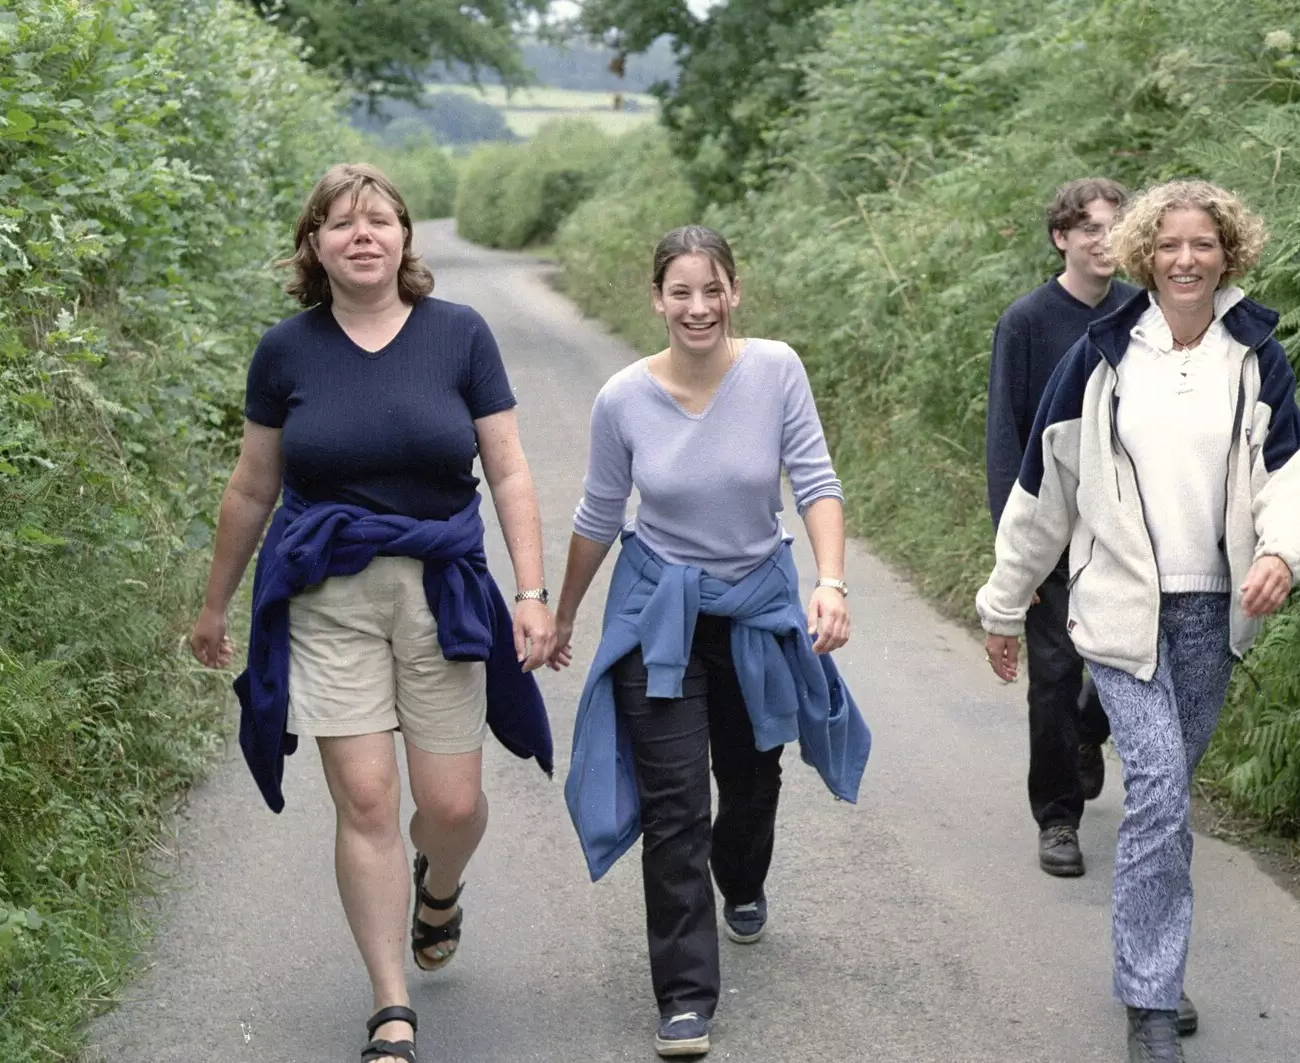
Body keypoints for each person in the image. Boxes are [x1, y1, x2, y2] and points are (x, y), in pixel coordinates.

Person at [188, 163, 556, 1063]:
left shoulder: (459, 335)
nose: (363, 236)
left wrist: (533, 591)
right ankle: (391, 1006)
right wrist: (213, 606)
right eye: (342, 223)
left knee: (453, 803)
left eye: (380, 221)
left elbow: (508, 470)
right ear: (313, 244)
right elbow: (252, 485)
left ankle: (441, 890)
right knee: (365, 797)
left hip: (442, 589)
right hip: (327, 593)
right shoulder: (286, 350)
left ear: (405, 238)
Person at [976, 180, 1300, 1063]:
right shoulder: (1100, 353)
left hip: (1216, 609)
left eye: (1202, 244)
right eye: (1167, 244)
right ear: (1143, 253)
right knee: (1163, 790)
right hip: (1120, 605)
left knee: (1167, 804)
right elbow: (1042, 488)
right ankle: (1150, 1000)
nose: (1183, 259)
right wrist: (1004, 603)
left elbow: (1293, 468)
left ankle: (1155, 969)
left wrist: (1283, 550)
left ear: (1228, 253)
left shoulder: (1255, 354)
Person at [548, 225, 871, 1059]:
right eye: (680, 291)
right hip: (662, 610)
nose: (698, 306)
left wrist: (828, 582)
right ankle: (686, 995)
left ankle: (746, 876)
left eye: (712, 289)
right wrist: (563, 612)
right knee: (676, 805)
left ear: (735, 292)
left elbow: (816, 480)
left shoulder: (774, 370)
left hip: (756, 605)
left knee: (752, 775)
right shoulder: (622, 396)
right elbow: (597, 515)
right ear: (656, 299)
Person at [986, 177, 1136, 879]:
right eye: (1089, 229)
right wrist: (1013, 559)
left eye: (1115, 227)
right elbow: (1005, 441)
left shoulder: (1143, 314)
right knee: (1051, 672)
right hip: (1050, 528)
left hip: (1125, 532)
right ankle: (1057, 817)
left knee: (1114, 666)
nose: (1103, 241)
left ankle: (1088, 732)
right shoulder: (1026, 322)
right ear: (1061, 238)